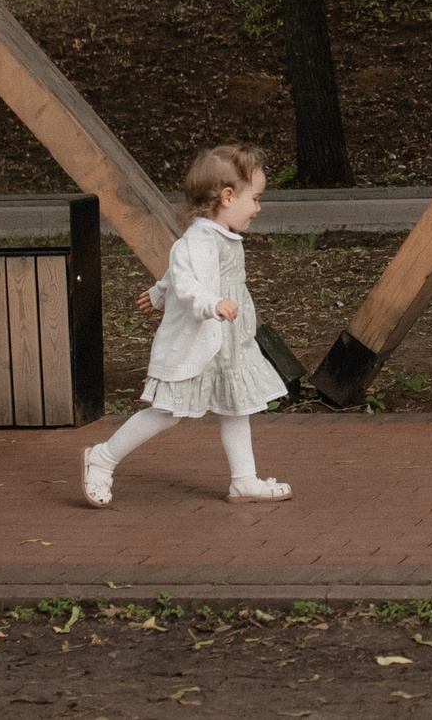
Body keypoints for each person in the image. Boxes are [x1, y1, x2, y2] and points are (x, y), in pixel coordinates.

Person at [81, 144, 292, 507]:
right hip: (201, 335)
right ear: (227, 197)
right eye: (255, 199)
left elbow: (178, 273)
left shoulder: (217, 235)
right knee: (167, 411)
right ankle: (102, 458)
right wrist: (212, 303)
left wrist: (160, 291)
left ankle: (243, 479)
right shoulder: (199, 239)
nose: (258, 208)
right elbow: (191, 281)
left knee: (235, 405)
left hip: (225, 340)